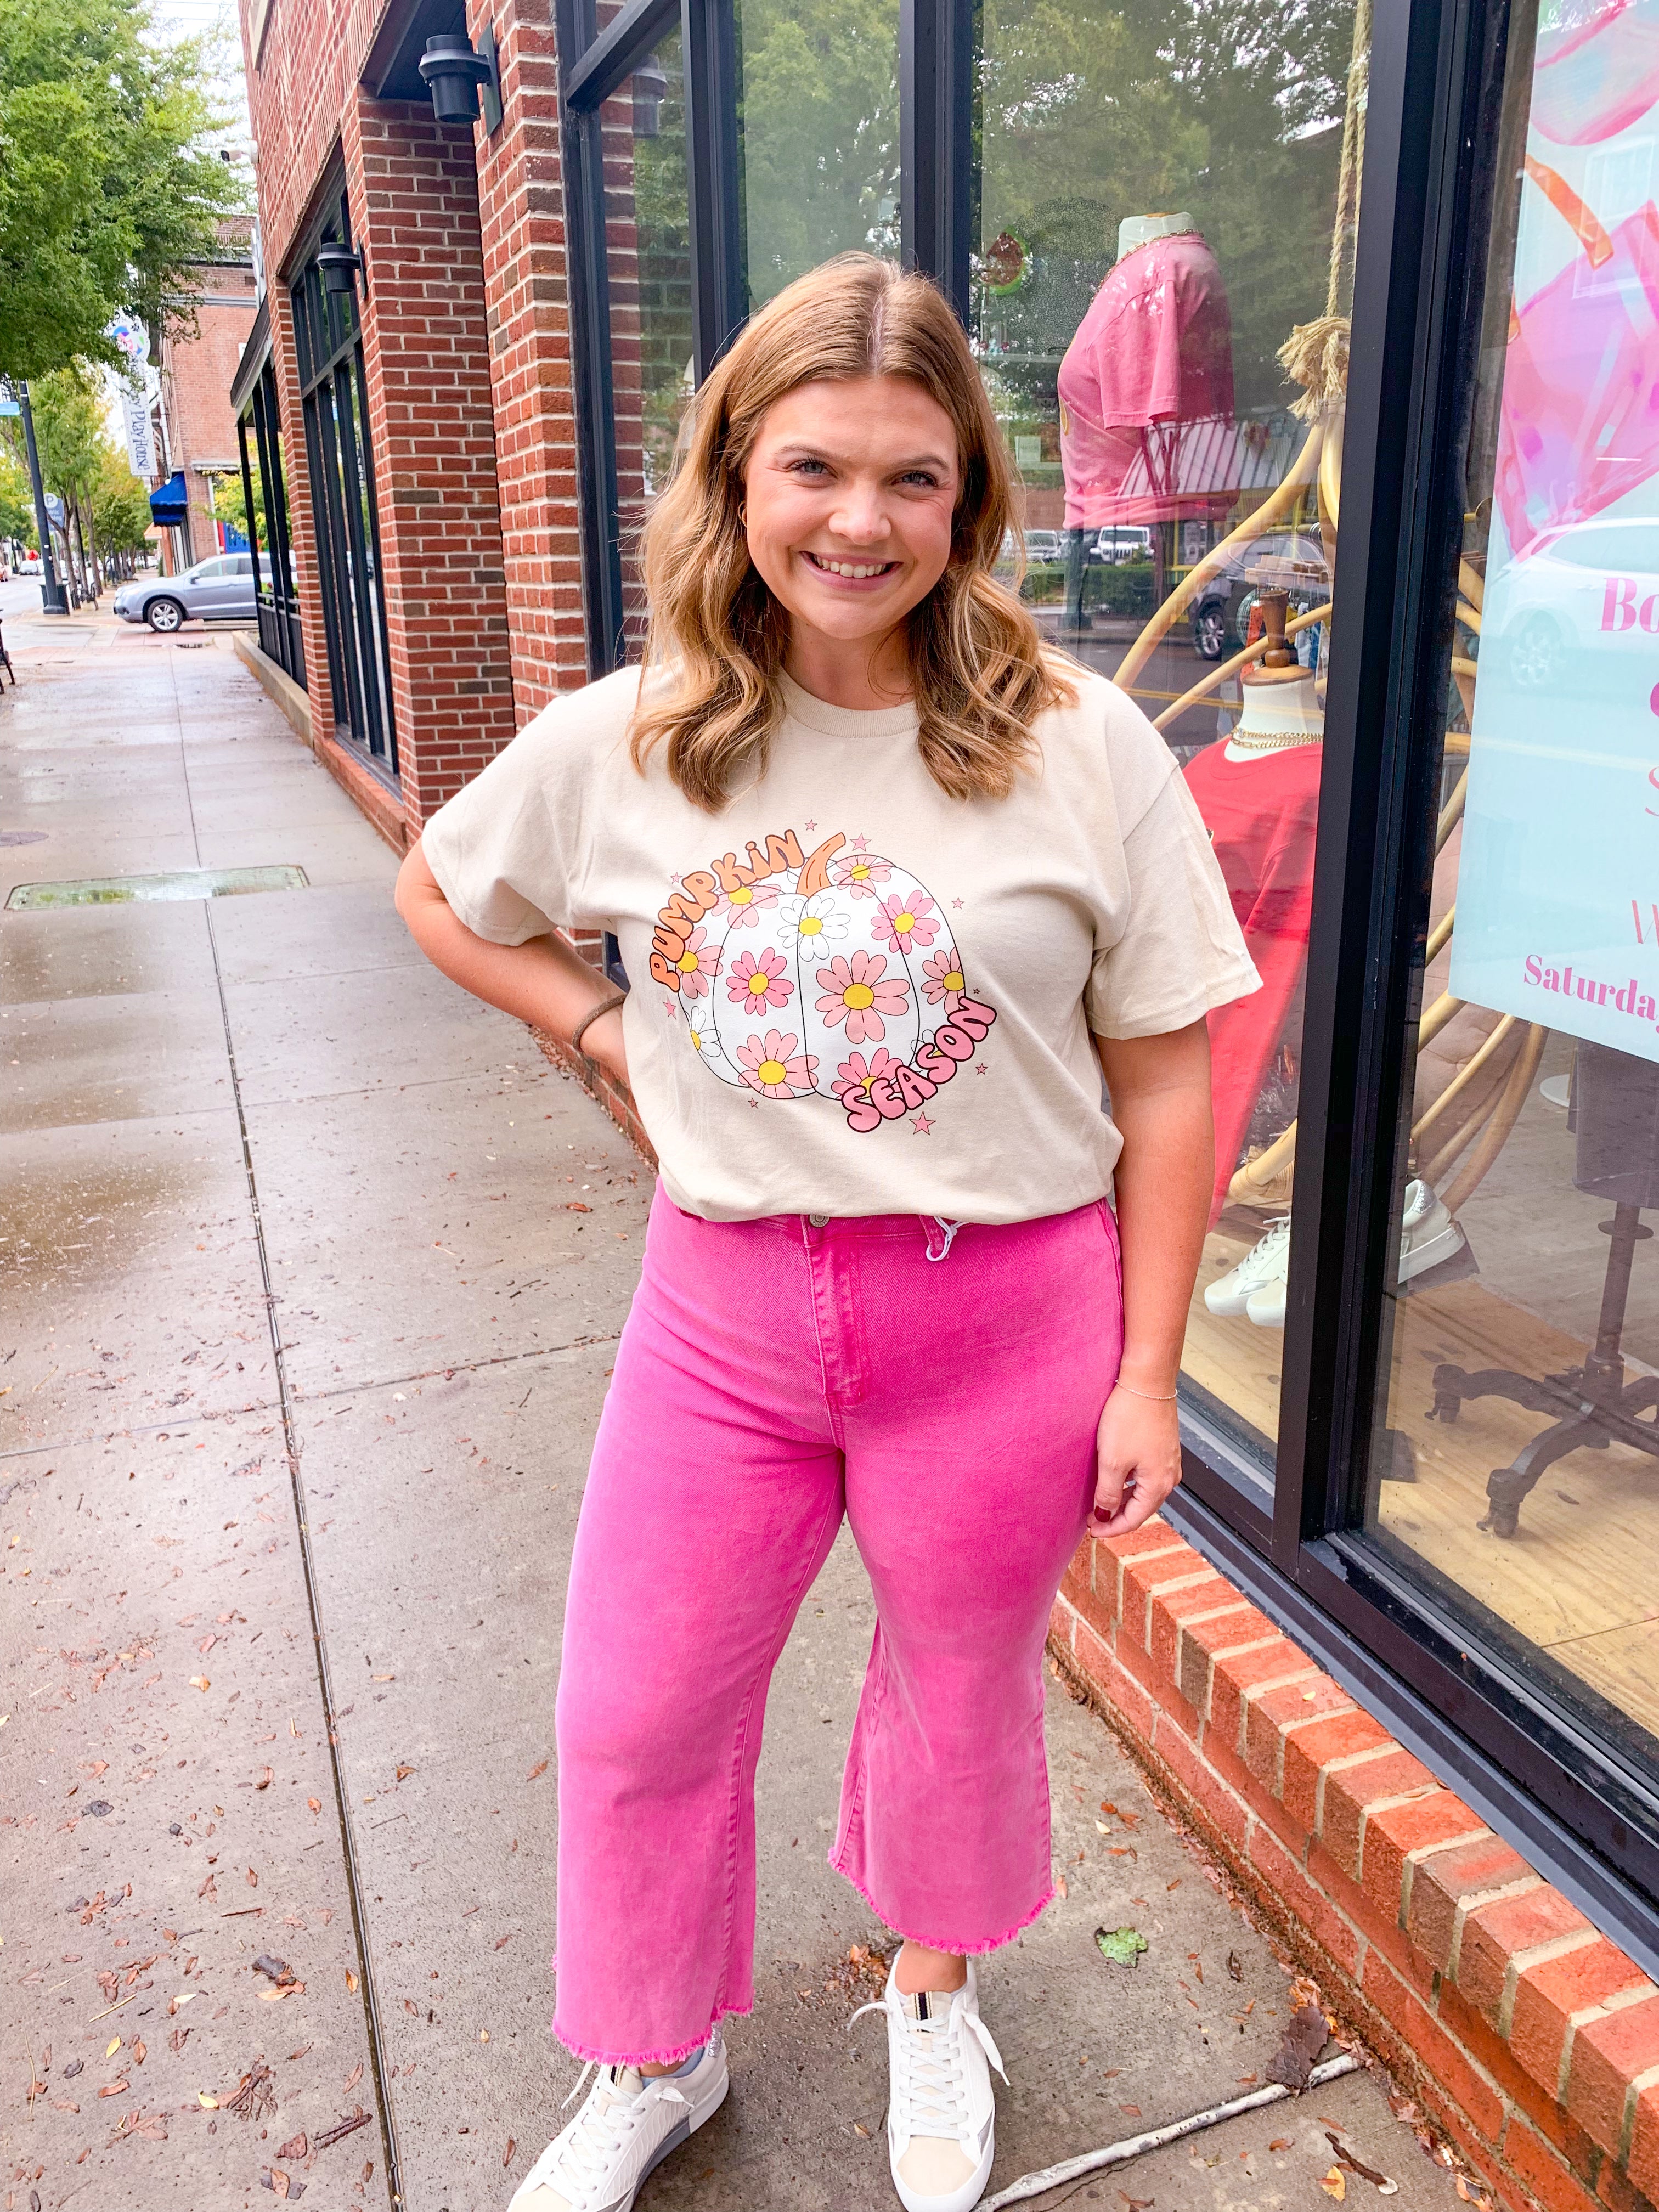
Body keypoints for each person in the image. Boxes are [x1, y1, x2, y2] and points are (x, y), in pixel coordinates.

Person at [395, 252, 1259, 2212]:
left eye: (911, 480)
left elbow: (1168, 1080)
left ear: (970, 502)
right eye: (812, 469)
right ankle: (655, 2050)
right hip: (727, 1314)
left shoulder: (1078, 743)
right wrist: (600, 1021)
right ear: (735, 475)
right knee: (635, 1703)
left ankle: (937, 1997)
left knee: (958, 1699)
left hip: (1005, 1317)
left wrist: (1145, 1370)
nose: (858, 522)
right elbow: (448, 896)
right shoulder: (627, 737)